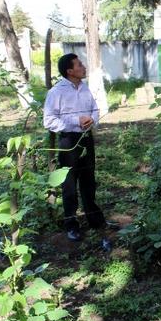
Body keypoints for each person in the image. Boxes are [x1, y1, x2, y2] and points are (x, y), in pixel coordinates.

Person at [43, 53, 110, 251]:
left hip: (86, 139)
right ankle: (71, 225)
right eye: (79, 65)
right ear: (69, 71)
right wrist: (76, 121)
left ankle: (95, 220)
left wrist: (92, 119)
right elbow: (49, 120)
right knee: (69, 185)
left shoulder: (85, 88)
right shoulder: (57, 92)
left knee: (89, 181)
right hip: (68, 141)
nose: (83, 67)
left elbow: (95, 109)